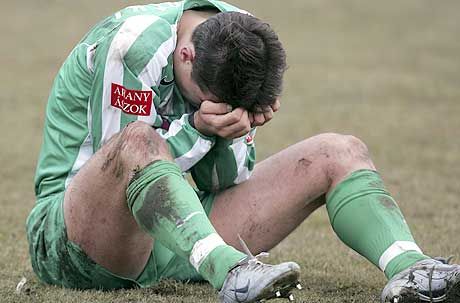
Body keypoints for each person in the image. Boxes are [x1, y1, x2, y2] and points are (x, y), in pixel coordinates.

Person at [26, 1, 460, 302]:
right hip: (78, 242)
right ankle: (232, 272)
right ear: (186, 54)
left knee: (339, 150)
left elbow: (225, 184)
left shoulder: (248, 38)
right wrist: (197, 127)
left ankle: (414, 269)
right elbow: (122, 171)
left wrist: (231, 132)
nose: (215, 110)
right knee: (139, 139)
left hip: (178, 239)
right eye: (209, 99)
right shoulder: (133, 46)